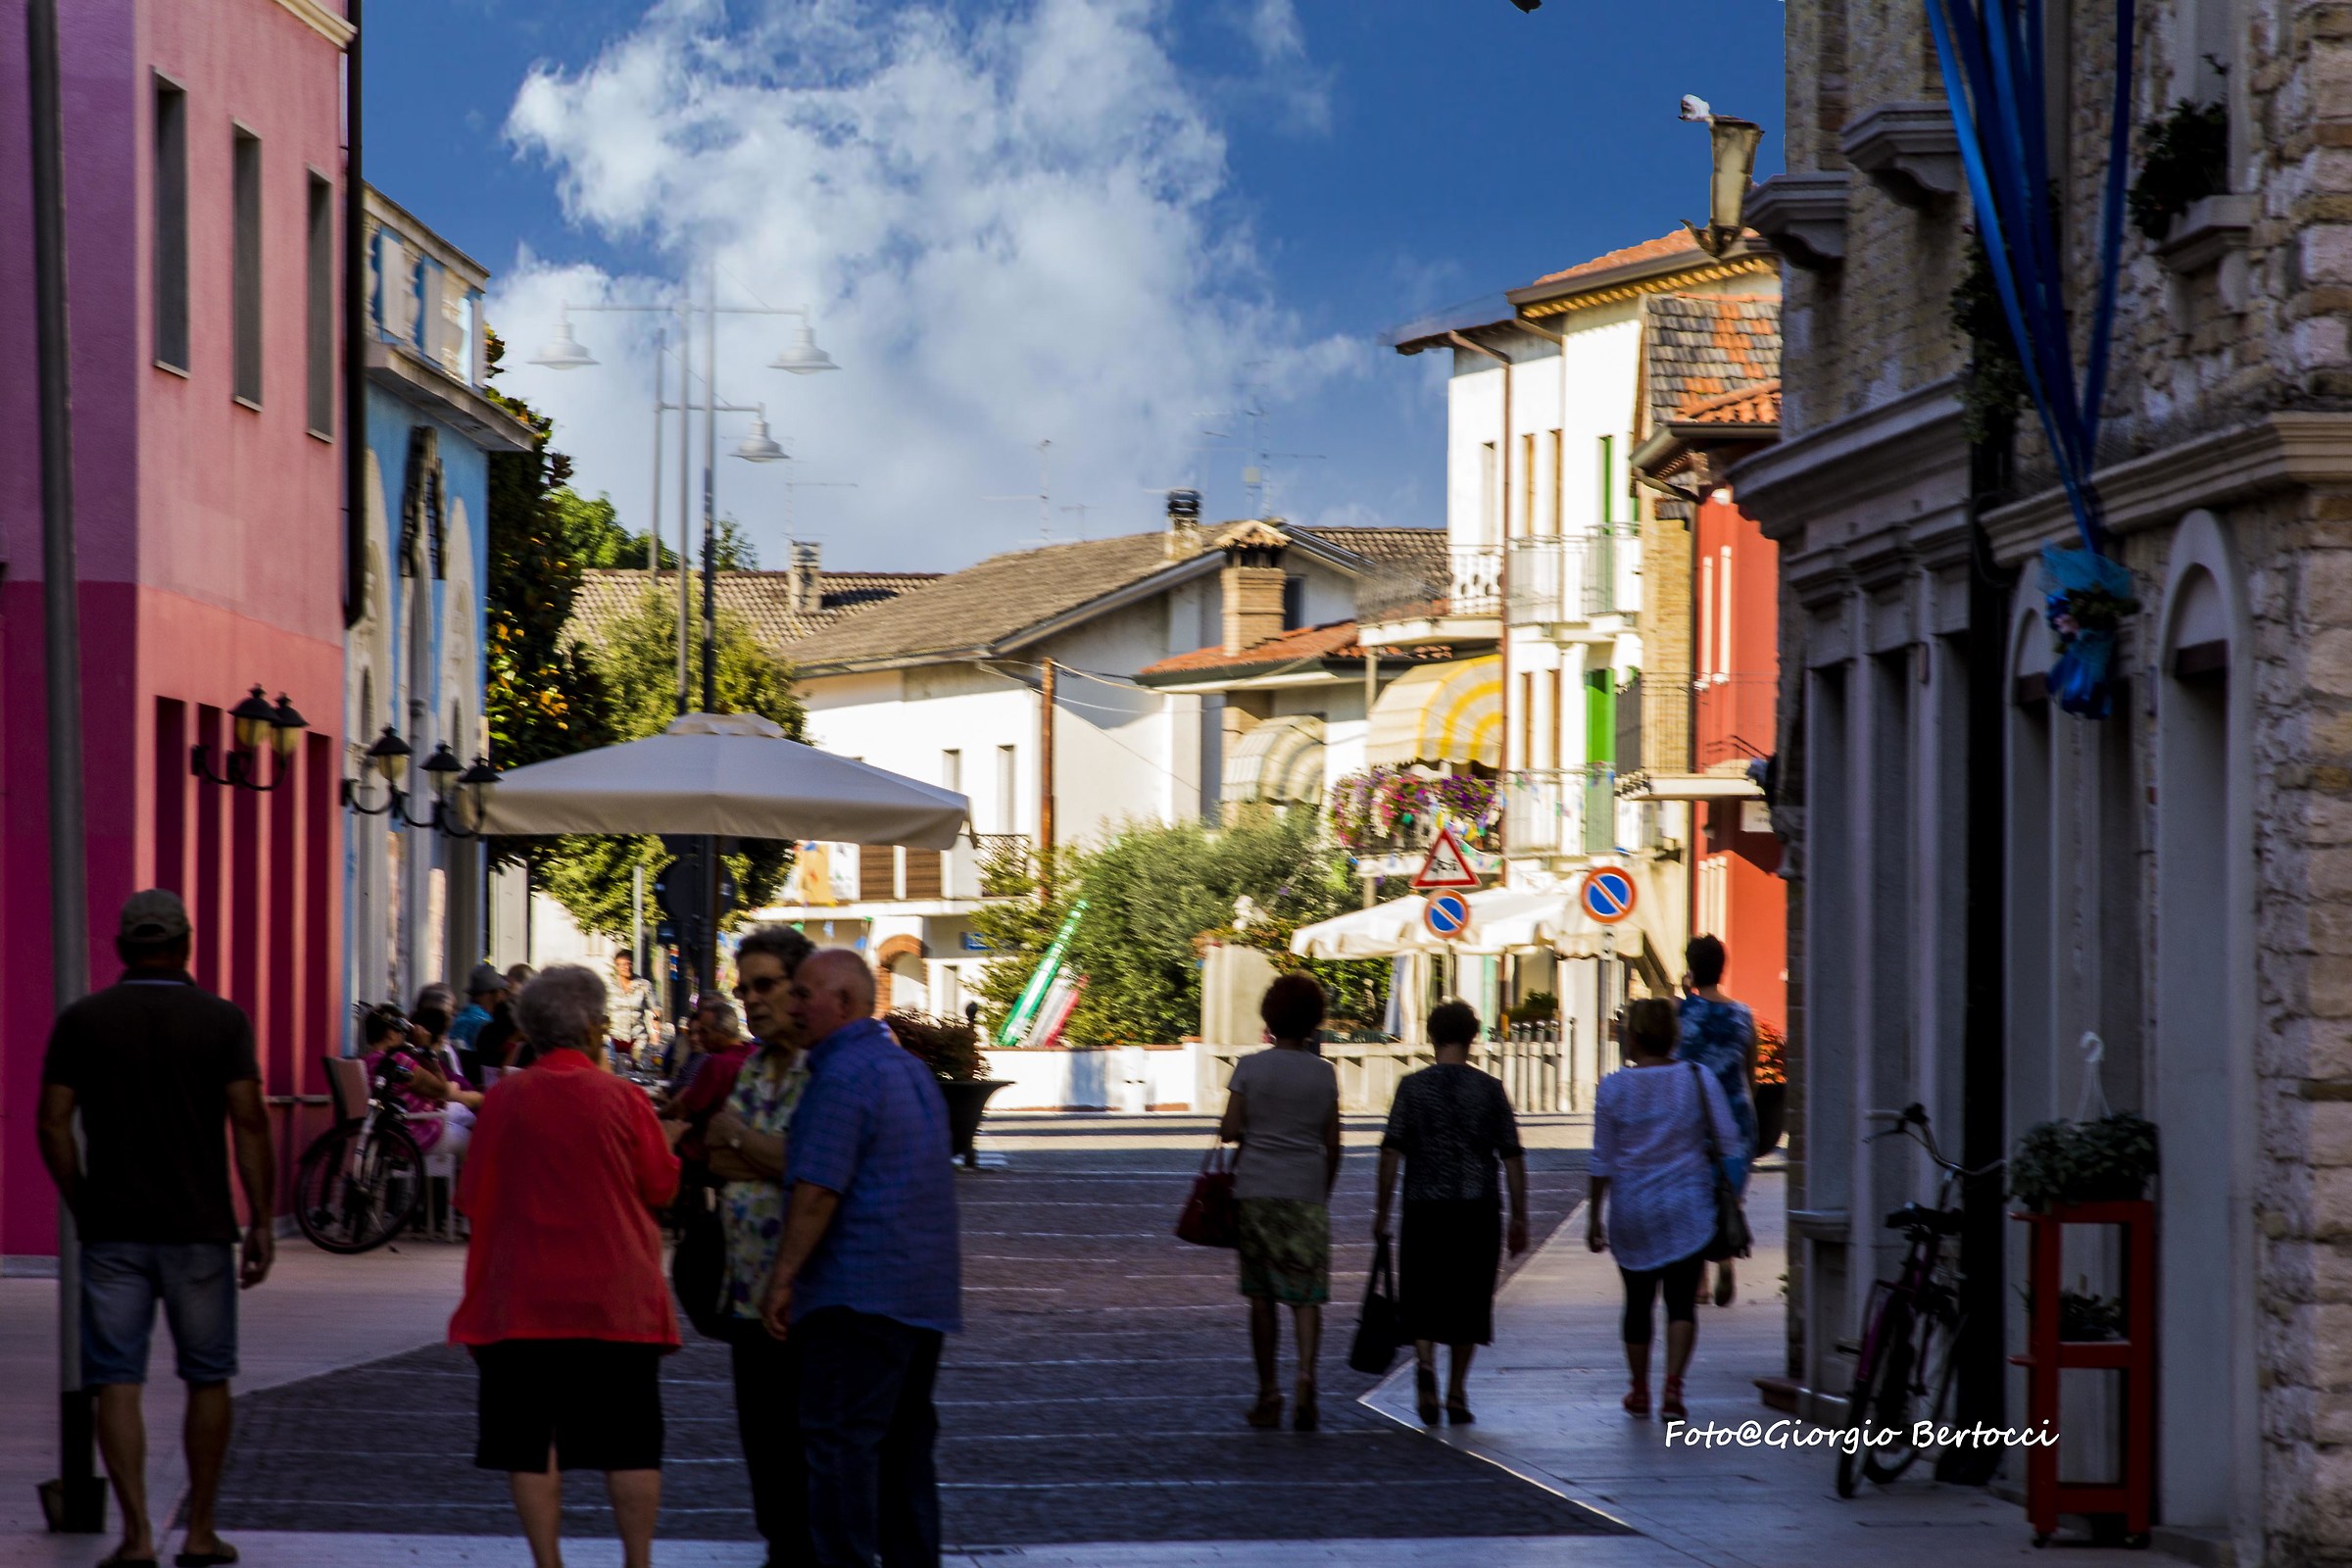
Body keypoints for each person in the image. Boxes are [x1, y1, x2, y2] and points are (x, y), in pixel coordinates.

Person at [34, 889, 275, 1568]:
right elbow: (249, 1121)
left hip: (115, 1227)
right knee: (208, 1376)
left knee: (117, 1378)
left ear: (121, 948)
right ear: (186, 945)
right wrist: (260, 1219)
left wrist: (82, 1199)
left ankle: (137, 1535)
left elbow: (51, 1120)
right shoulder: (222, 1021)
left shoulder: (83, 1021)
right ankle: (199, 1531)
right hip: (200, 1225)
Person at [450, 965, 682, 1568]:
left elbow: (472, 1195)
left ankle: (548, 1562)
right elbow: (660, 1187)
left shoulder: (504, 1100)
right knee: (631, 1443)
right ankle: (637, 1561)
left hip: (522, 1297)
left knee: (530, 1444)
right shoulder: (624, 1098)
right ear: (591, 1027)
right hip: (616, 1298)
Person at [760, 950, 961, 1568]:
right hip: (920, 1292)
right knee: (903, 1447)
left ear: (841, 1004)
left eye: (803, 995)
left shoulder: (842, 1075)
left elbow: (818, 1190)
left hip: (857, 1292)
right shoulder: (907, 1070)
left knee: (840, 1445)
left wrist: (783, 1279)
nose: (792, 1007)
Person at [695, 925, 817, 1568]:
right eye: (745, 990)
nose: (753, 1000)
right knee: (761, 1438)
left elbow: (810, 1166)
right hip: (743, 1288)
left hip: (803, 1292)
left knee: (805, 1438)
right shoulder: (753, 1065)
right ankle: (781, 1546)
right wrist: (750, 1148)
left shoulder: (824, 1066)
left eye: (765, 985)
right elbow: (716, 1152)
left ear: (802, 986)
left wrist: (745, 1143)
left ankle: (808, 1548)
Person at [1372, 1000, 1530, 1426]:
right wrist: (1520, 1215)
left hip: (1424, 1205)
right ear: (1473, 1037)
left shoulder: (1412, 1087)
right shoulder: (1490, 1089)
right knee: (1469, 1299)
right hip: (1478, 1207)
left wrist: (1382, 1210)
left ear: (1432, 1036)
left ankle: (1425, 1366)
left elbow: (1391, 1151)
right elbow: (1513, 1156)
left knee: (1422, 1293)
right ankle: (1457, 1391)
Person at [1588, 997, 1741, 1424]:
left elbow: (1602, 1160)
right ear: (1673, 1036)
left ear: (1633, 1037)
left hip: (1632, 1209)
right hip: (1687, 1207)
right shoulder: (1698, 1078)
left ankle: (1638, 1390)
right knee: (1680, 1303)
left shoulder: (1613, 1087)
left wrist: (1593, 1218)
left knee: (1637, 1302)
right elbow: (1728, 1141)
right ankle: (1673, 1386)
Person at [1216, 973, 1341, 1433]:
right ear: (1314, 1020)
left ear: (1270, 1015)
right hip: (1306, 1191)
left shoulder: (1249, 1068)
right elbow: (1333, 1143)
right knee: (1306, 1297)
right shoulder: (1324, 1073)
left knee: (1262, 1298)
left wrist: (1255, 1131)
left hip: (1257, 1191)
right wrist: (1321, 1190)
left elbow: (1229, 1130)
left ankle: (1269, 1392)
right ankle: (1307, 1374)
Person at [1675, 934, 1756, 1305]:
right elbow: (1750, 1069)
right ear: (1723, 967)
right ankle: (1725, 1255)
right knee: (1727, 1194)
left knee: (1694, 1197)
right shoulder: (1742, 1014)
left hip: (1694, 1115)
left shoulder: (1682, 1015)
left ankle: (1700, 1280)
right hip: (1737, 1114)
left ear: (1691, 967)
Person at [451, 963, 508, 1078]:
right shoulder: (485, 1024)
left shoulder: (459, 1017)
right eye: (502, 991)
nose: (504, 996)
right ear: (495, 993)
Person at [608, 952, 660, 1068]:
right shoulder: (609, 986)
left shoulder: (643, 985)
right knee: (613, 1069)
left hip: (637, 1037)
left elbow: (655, 1009)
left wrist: (655, 1032)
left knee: (636, 1068)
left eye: (629, 964)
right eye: (622, 965)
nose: (626, 967)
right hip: (615, 1036)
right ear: (616, 966)